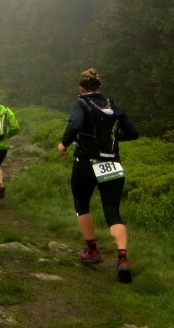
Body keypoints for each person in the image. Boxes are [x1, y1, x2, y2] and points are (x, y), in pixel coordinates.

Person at [57, 68, 139, 283]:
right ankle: (122, 256)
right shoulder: (112, 105)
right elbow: (133, 133)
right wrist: (112, 138)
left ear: (81, 88)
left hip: (86, 163)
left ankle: (92, 251)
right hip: (112, 163)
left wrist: (64, 143)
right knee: (113, 211)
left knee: (81, 204)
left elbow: (74, 124)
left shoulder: (81, 103)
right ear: (99, 87)